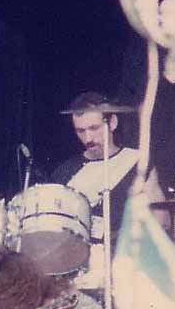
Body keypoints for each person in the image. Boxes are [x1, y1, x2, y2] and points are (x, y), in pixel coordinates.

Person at [51, 91, 168, 296]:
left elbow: (162, 221)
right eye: (80, 131)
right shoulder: (64, 173)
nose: (88, 138)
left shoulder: (138, 162)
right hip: (77, 271)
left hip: (127, 265)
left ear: (112, 122)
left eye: (94, 129)